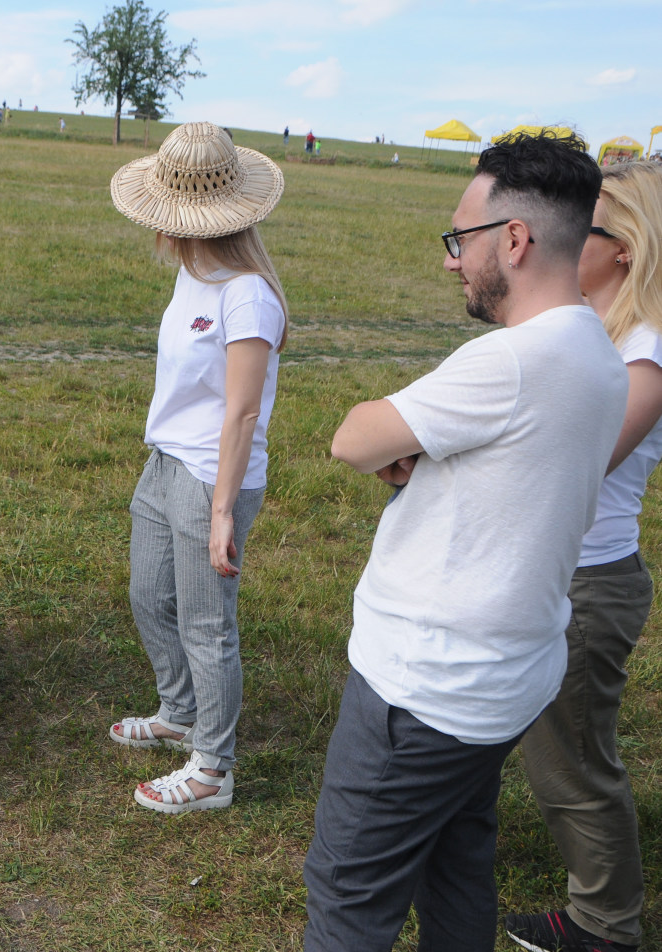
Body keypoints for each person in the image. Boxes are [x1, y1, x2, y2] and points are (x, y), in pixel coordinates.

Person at [303, 132, 629, 951]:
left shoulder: (511, 362)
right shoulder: (600, 349)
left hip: (426, 683)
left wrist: (400, 443)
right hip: (506, 680)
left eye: (462, 238)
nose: (453, 260)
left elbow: (352, 438)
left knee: (349, 893)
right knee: (456, 866)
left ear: (514, 240)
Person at [504, 161, 662, 952]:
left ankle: (606, 926)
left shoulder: (645, 352)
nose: (568, 238)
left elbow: (579, 455)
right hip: (549, 565)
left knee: (571, 764)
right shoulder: (591, 326)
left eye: (589, 227)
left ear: (625, 248)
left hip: (590, 581)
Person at [106, 122, 287, 813]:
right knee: (150, 596)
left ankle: (213, 769)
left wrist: (221, 513)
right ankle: (179, 712)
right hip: (167, 463)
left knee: (207, 624)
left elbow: (242, 413)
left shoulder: (247, 295)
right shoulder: (193, 273)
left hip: (216, 476)